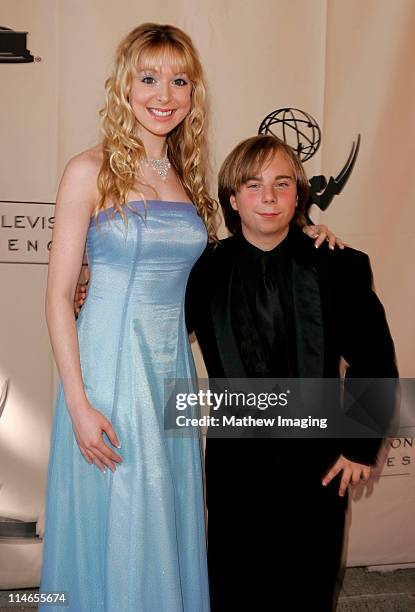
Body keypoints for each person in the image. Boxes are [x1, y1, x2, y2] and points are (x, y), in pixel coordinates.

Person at [40, 23, 216, 612]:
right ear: (125, 86)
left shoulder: (188, 178)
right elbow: (59, 296)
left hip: (172, 373)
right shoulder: (87, 171)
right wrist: (78, 404)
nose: (164, 94)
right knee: (115, 516)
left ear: (193, 93)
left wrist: (308, 232)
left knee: (164, 521)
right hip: (108, 375)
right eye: (149, 78)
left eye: (178, 79)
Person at [185, 135, 398, 611]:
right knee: (233, 588)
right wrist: (88, 294)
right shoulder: (200, 272)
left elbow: (376, 359)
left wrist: (362, 445)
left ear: (298, 196)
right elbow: (149, 325)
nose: (268, 197)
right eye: (253, 184)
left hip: (318, 467)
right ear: (232, 198)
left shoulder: (341, 265)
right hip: (235, 467)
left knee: (309, 588)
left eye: (282, 184)